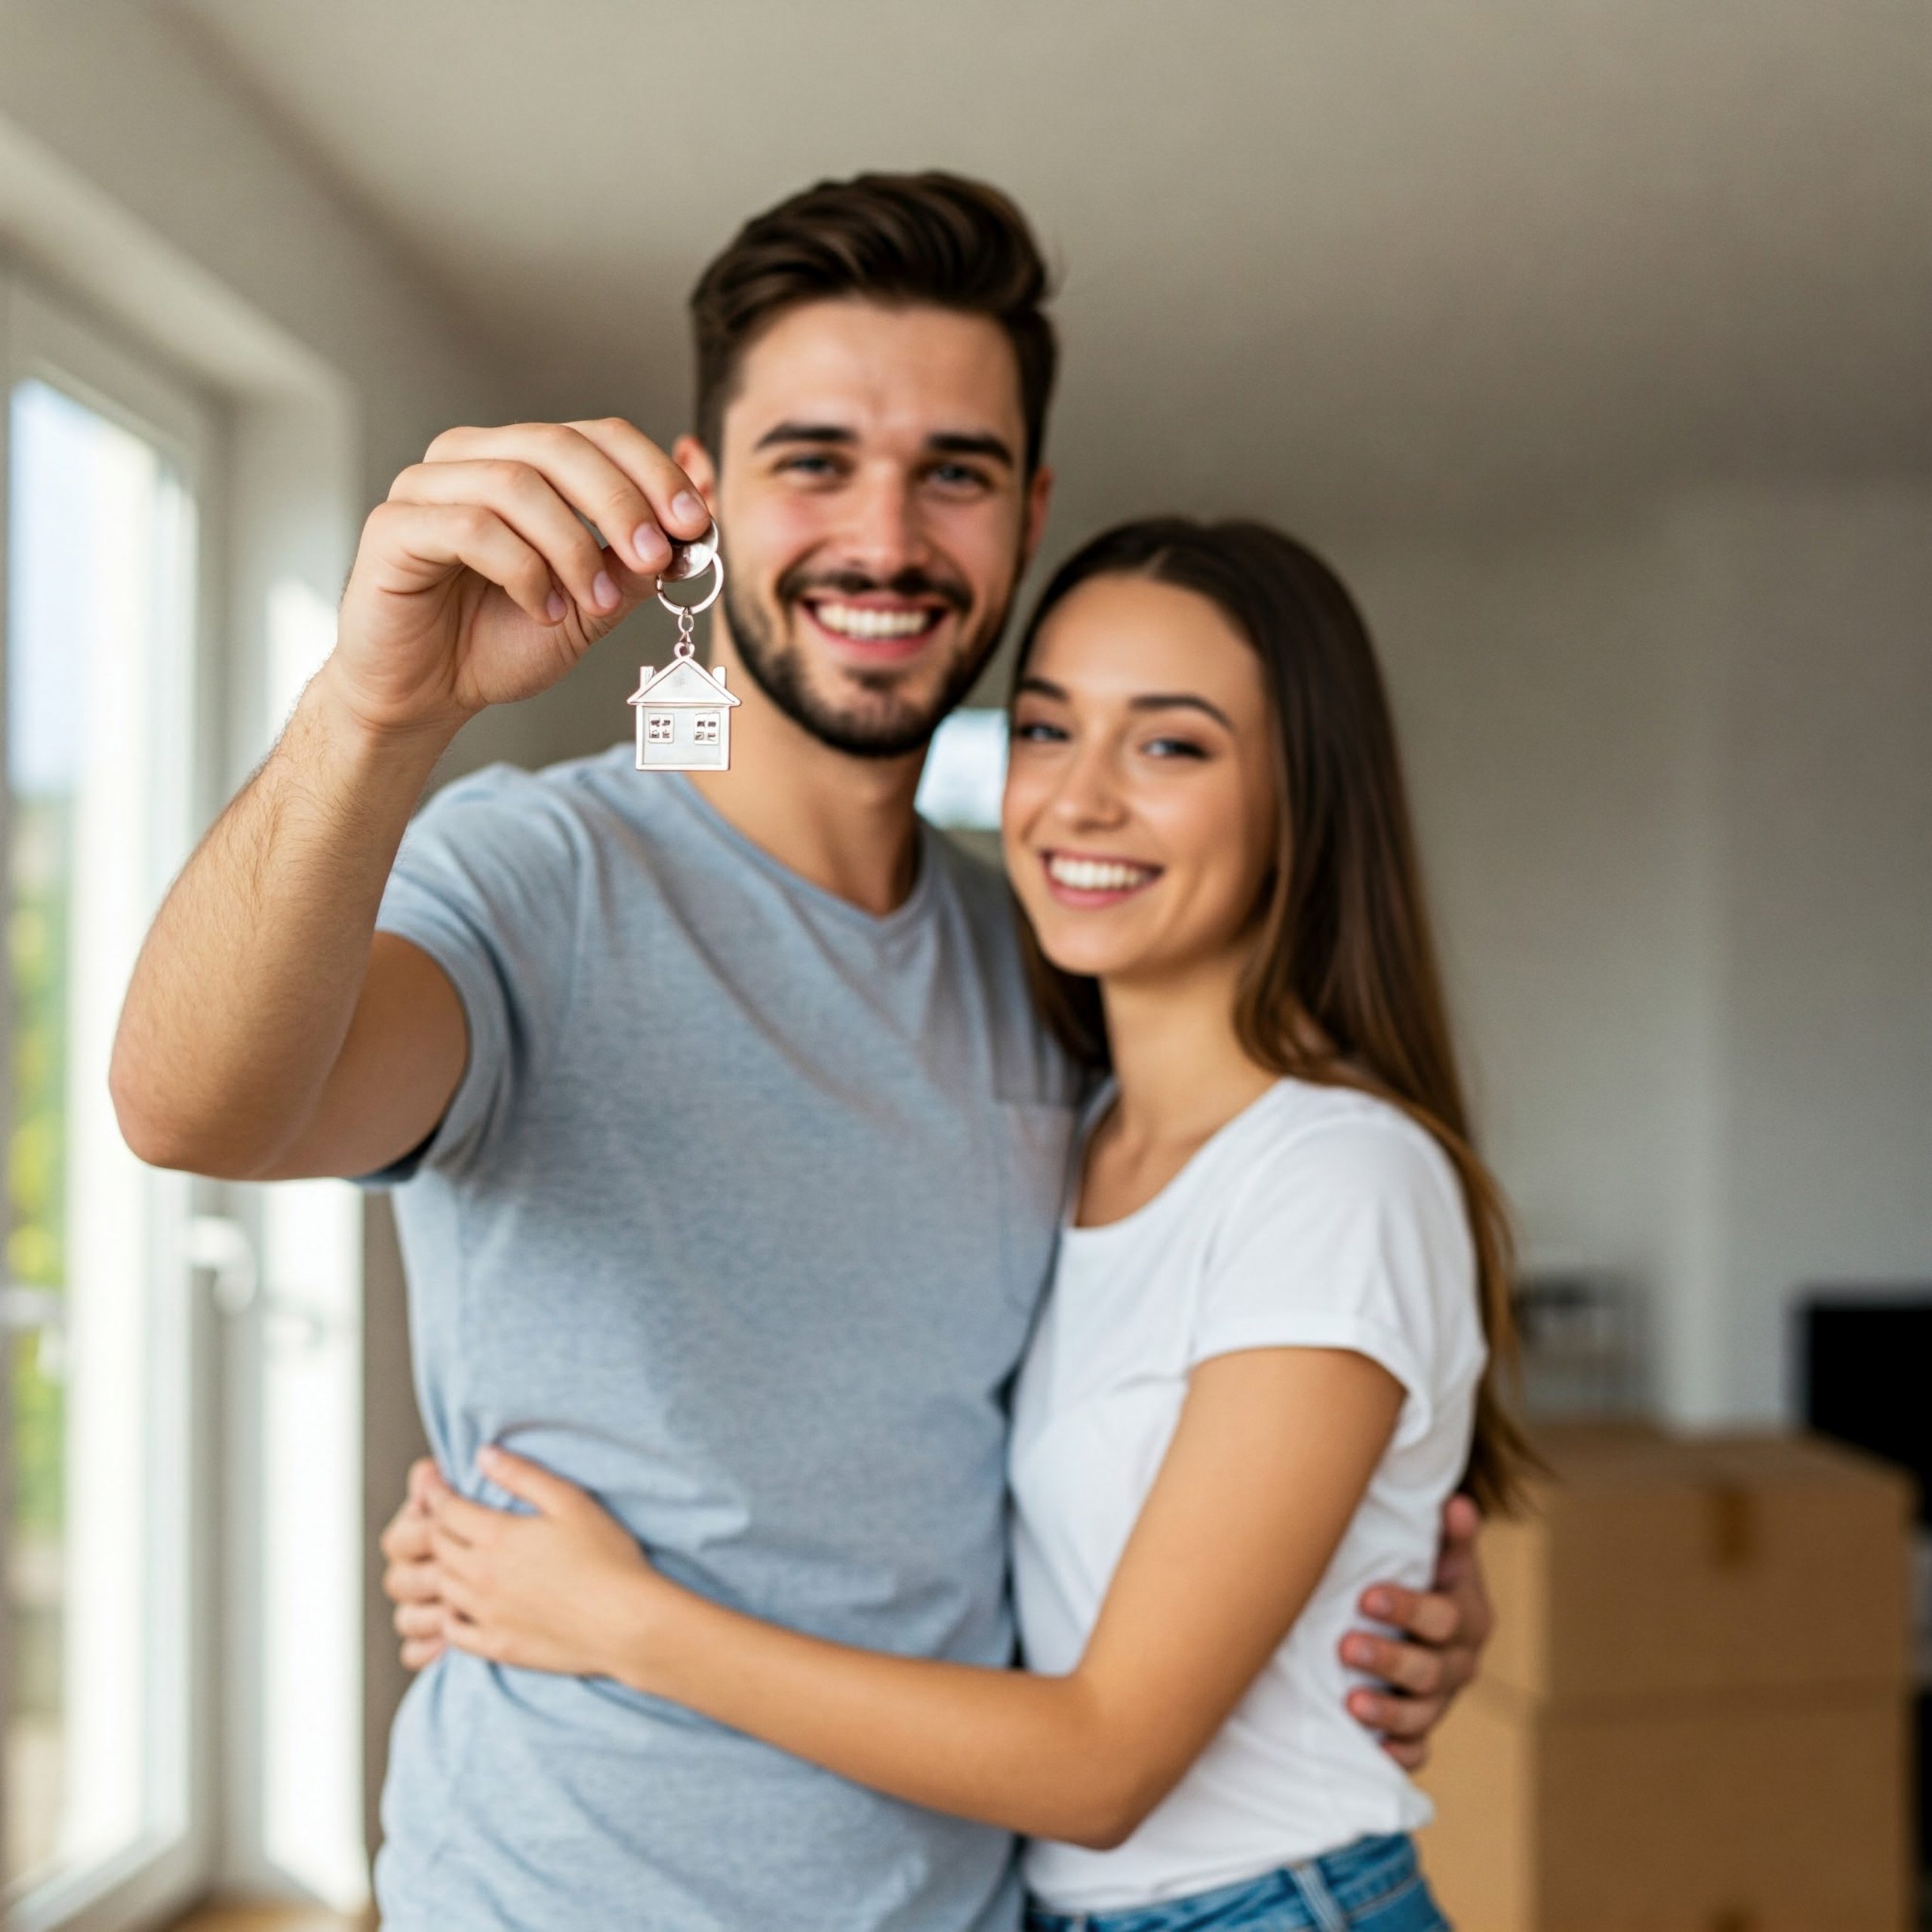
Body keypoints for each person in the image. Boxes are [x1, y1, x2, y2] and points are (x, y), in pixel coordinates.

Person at [112, 175, 1491, 1931]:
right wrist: (381, 707)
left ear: (1026, 510)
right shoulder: (536, 878)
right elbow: (191, 1107)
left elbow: (1150, 1410)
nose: (887, 533)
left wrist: (1362, 1605)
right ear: (705, 492)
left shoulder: (1039, 956)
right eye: (815, 458)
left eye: (955, 471)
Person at [398, 517, 1524, 1931]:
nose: (1079, 801)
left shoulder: (1335, 1180)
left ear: (1308, 799)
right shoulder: (1077, 1129)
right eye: (1048, 732)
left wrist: (620, 1622)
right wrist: (496, 1525)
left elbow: (1106, 1762)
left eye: (1170, 746)